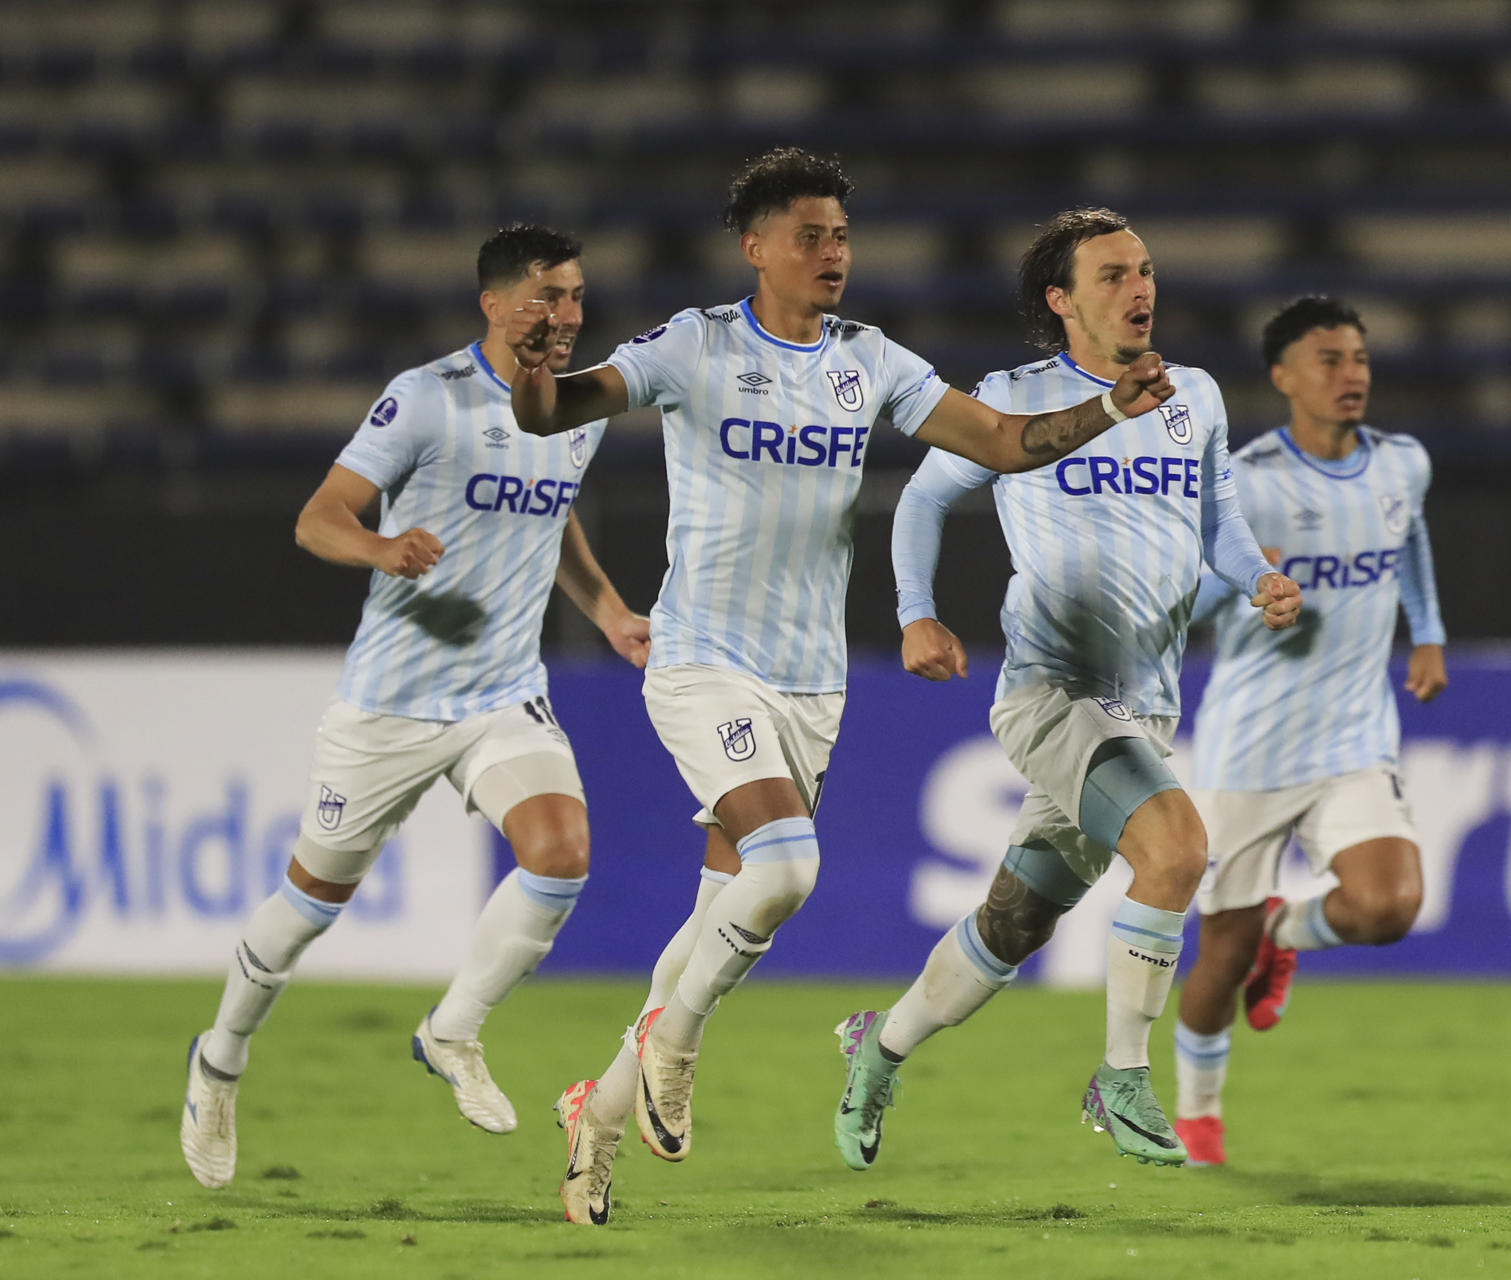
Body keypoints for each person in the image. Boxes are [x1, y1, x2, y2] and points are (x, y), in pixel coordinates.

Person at [500, 151, 1178, 1226]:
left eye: (842, 237)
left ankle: (602, 1107)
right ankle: (674, 1045)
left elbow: (1002, 441)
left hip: (810, 687)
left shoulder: (868, 360)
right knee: (785, 866)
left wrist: (1107, 412)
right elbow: (551, 413)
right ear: (755, 246)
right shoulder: (697, 343)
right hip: (702, 658)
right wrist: (534, 365)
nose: (833, 255)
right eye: (810, 236)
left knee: (723, 907)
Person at [830, 208, 1302, 1173]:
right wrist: (916, 610)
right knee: (1176, 850)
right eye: (1115, 274)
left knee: (1012, 925)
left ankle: (877, 1049)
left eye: (1147, 270)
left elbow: (1219, 517)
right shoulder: (1016, 401)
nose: (1141, 289)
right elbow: (922, 498)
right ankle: (1121, 1075)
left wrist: (1255, 575)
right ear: (1063, 299)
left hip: (1146, 702)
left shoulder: (1194, 397)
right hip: (1055, 687)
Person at [179, 225, 649, 1190]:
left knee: (561, 857)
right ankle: (219, 1058)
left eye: (574, 297)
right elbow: (319, 517)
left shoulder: (579, 408)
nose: (565, 316)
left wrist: (607, 612)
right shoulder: (425, 399)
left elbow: (548, 509)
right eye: (545, 297)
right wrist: (380, 550)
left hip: (505, 692)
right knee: (310, 905)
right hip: (393, 702)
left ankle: (453, 1030)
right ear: (493, 304)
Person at [1171, 296, 1447, 1167]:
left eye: (1359, 357)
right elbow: (1189, 597)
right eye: (1328, 359)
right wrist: (1250, 583)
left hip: (1355, 740)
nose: (1351, 373)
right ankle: (1197, 1112)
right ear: (1284, 377)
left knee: (1390, 905)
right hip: (1249, 749)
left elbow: (1410, 544)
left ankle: (1285, 935)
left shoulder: (1403, 464)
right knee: (1218, 954)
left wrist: (1428, 630)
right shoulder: (1246, 483)